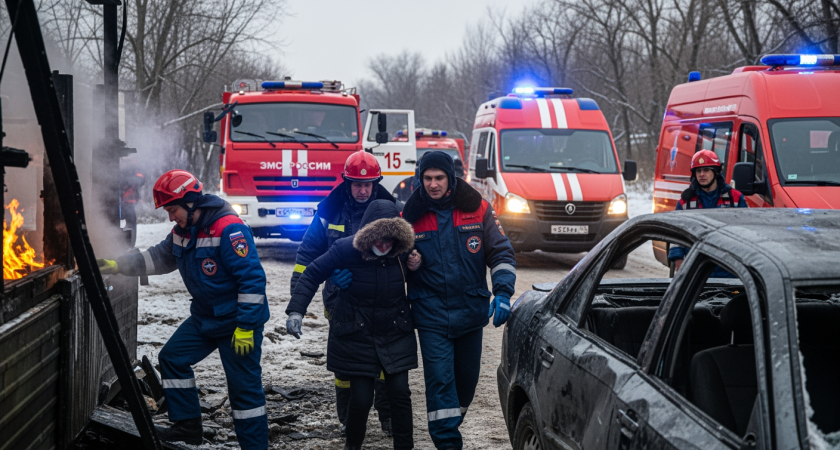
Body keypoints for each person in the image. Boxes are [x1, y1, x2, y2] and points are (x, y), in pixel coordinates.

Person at [97, 169, 269, 449]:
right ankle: (187, 427)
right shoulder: (183, 232)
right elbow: (158, 258)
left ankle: (255, 446)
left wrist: (246, 327)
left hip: (236, 323)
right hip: (205, 317)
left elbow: (252, 280)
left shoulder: (230, 229)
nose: (170, 217)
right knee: (173, 358)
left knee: (244, 391)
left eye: (173, 210)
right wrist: (119, 265)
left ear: (191, 203)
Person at [402, 151, 516, 450]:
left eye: (439, 178)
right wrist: (408, 263)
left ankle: (450, 423)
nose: (433, 184)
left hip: (470, 313)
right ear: (420, 179)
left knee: (466, 385)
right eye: (427, 178)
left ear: (451, 178)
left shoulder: (478, 208)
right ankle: (448, 442)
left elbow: (501, 253)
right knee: (440, 382)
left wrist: (503, 292)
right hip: (431, 315)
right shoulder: (408, 217)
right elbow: (392, 263)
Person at [285, 200, 419, 450]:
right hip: (357, 334)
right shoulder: (345, 249)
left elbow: (431, 274)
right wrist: (296, 311)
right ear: (368, 234)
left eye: (390, 240)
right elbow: (312, 273)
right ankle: (353, 446)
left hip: (394, 332)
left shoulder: (404, 252)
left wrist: (417, 266)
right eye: (379, 239)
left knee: (400, 394)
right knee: (361, 398)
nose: (384, 245)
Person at [289, 150, 396, 436]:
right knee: (346, 364)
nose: (363, 191)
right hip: (340, 299)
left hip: (380, 300)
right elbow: (307, 258)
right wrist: (297, 303)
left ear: (376, 183)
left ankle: (388, 417)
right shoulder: (328, 213)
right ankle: (349, 418)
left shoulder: (391, 212)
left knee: (384, 361)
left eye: (368, 184)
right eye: (357, 184)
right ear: (347, 183)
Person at [669, 149, 748, 276]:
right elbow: (676, 234)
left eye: (706, 170)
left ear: (716, 172)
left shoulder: (735, 199)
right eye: (698, 171)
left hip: (729, 269)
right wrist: (678, 259)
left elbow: (747, 233)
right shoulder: (685, 202)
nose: (701, 174)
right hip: (696, 270)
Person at [120, 157, 145, 247]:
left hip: (130, 203)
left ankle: (130, 246)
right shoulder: (118, 170)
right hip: (118, 203)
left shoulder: (135, 171)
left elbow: (141, 180)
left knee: (131, 226)